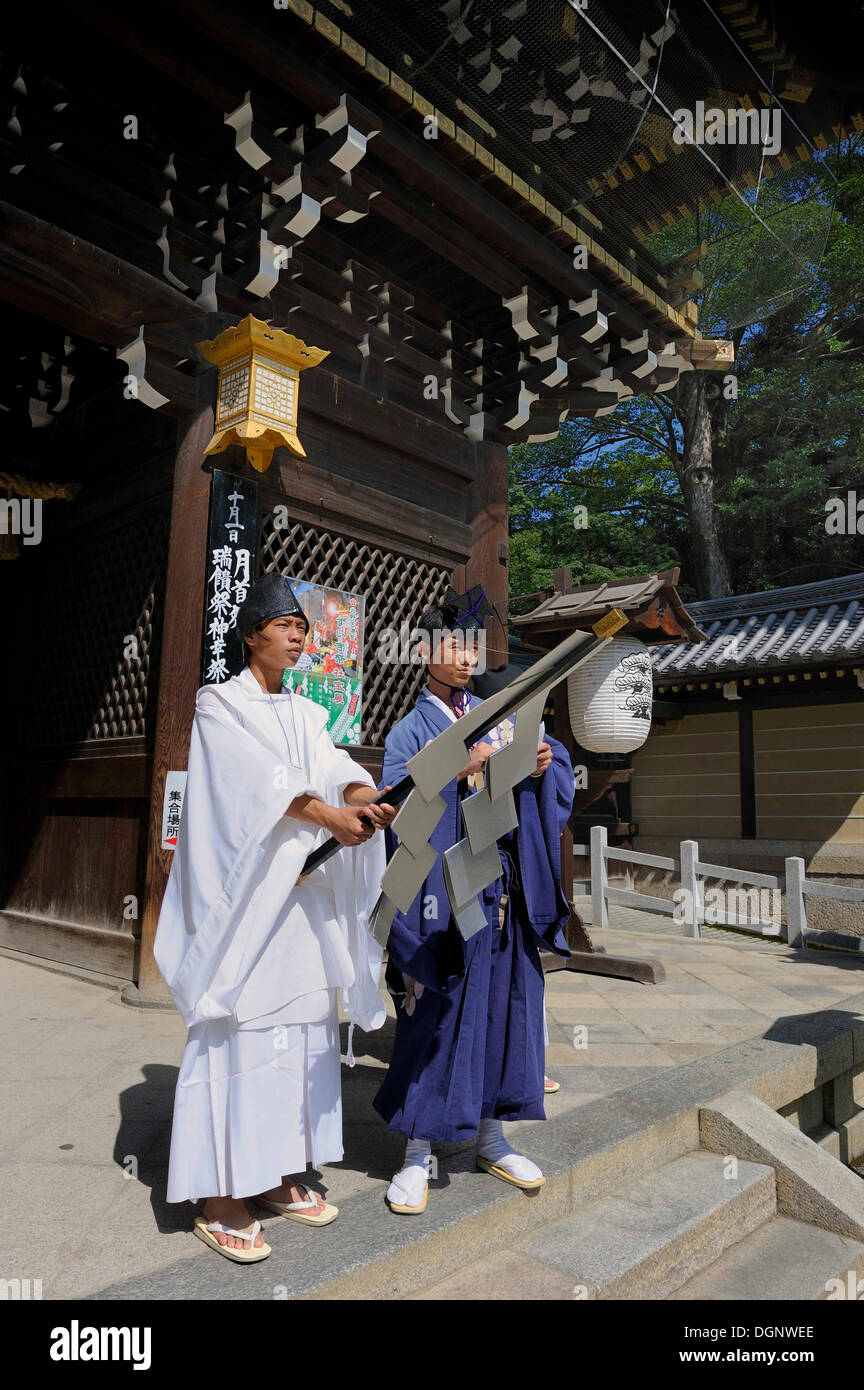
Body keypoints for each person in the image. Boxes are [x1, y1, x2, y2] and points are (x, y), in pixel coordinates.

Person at [154, 572, 396, 1262]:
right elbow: (254, 782)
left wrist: (364, 795)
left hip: (301, 902)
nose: (296, 636)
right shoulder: (217, 704)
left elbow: (330, 762)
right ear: (251, 632)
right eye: (284, 624)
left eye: (302, 627)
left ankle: (275, 1171)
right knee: (241, 1033)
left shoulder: (305, 711)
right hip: (250, 908)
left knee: (299, 1031)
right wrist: (325, 813)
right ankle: (220, 1191)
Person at [373, 591, 575, 1213]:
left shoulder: (497, 716)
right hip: (444, 895)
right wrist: (455, 771)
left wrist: (542, 762)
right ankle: (415, 1151)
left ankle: (492, 1134)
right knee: (438, 1012)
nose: (465, 659)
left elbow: (553, 774)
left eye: (471, 647)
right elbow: (391, 806)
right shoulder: (411, 729)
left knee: (506, 1007)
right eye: (452, 647)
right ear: (424, 654)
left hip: (503, 888)